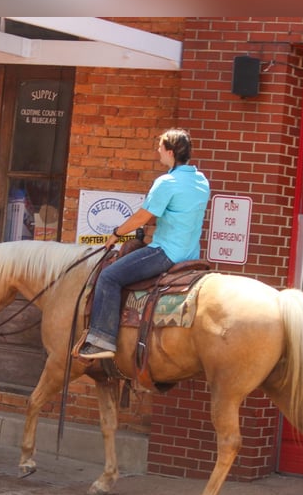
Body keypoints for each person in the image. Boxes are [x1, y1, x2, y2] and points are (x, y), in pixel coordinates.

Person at [78, 128, 210, 360]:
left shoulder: (167, 182)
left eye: (160, 147)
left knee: (109, 276)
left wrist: (117, 233)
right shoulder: (201, 180)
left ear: (170, 152)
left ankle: (102, 341)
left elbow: (143, 217)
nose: (157, 151)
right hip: (190, 254)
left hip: (166, 252)